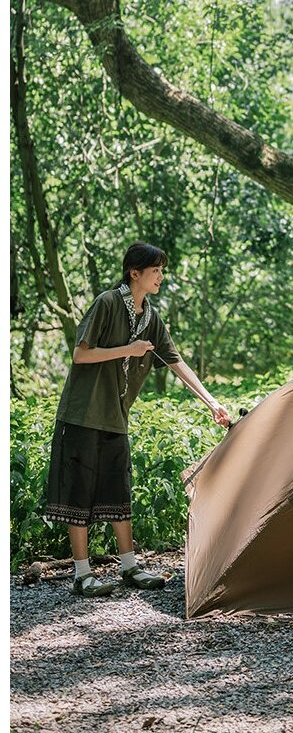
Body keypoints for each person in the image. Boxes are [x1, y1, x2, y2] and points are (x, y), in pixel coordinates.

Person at [44, 242, 231, 597]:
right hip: (81, 415)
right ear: (135, 273)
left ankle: (129, 567)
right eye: (155, 270)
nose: (161, 277)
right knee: (78, 493)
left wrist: (212, 403)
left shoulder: (151, 317)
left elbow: (175, 361)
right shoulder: (107, 302)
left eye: (162, 270)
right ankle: (82, 575)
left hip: (115, 417)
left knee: (119, 491)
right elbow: (80, 355)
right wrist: (128, 350)